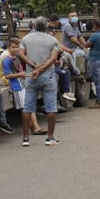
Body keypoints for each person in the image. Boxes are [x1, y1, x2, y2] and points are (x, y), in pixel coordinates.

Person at [19, 17, 61, 147]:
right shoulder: (52, 40)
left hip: (31, 74)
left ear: (34, 26)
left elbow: (21, 54)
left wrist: (33, 65)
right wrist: (42, 67)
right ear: (46, 27)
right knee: (51, 108)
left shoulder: (26, 39)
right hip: (47, 74)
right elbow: (54, 57)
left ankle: (26, 138)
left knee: (28, 108)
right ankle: (50, 137)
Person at [2, 37, 47, 135]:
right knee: (25, 109)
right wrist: (20, 75)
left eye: (17, 47)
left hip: (23, 84)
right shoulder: (7, 60)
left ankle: (35, 127)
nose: (15, 49)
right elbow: (7, 75)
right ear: (9, 48)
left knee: (30, 106)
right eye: (13, 47)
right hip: (16, 86)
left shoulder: (17, 57)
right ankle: (30, 128)